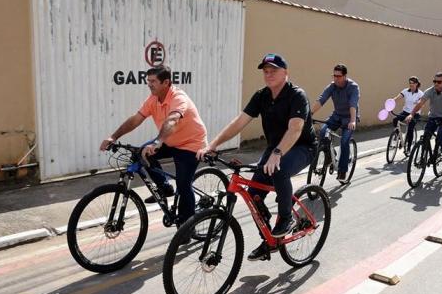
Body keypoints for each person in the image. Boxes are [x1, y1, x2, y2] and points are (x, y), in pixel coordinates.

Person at [197, 53, 316, 261]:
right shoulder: (261, 96)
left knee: (278, 169)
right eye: (265, 71)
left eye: (274, 70)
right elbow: (240, 122)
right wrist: (213, 145)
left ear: (285, 72)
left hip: (302, 146)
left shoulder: (297, 95)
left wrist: (277, 154)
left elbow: (295, 129)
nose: (268, 74)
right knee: (253, 194)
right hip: (274, 148)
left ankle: (286, 218)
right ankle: (269, 240)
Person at [99, 65, 207, 226]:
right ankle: (164, 187)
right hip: (170, 141)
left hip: (191, 145)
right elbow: (136, 119)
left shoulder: (178, 98)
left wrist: (158, 142)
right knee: (141, 154)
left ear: (166, 83)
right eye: (148, 81)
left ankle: (187, 227)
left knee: (183, 186)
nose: (149, 84)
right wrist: (113, 136)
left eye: (153, 81)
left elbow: (172, 120)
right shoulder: (153, 99)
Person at [311, 64, 360, 183]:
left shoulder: (353, 87)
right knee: (323, 132)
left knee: (344, 141)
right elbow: (321, 100)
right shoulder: (332, 86)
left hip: (349, 117)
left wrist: (353, 120)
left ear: (345, 76)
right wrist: (309, 114)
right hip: (337, 116)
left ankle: (343, 170)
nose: (336, 78)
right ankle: (329, 156)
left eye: (338, 76)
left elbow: (353, 104)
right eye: (334, 76)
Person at [405, 72, 442, 163]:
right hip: (433, 116)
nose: (436, 83)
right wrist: (411, 114)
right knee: (426, 135)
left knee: (441, 135)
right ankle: (423, 158)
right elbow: (420, 103)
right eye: (434, 81)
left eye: (439, 82)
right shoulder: (430, 91)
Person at [390, 76, 424, 151]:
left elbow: (421, 103)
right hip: (405, 112)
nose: (411, 84)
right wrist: (391, 102)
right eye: (410, 83)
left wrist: (418, 103)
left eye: (413, 83)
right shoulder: (405, 91)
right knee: (395, 119)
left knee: (410, 129)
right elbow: (397, 97)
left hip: (415, 113)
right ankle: (398, 135)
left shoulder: (420, 93)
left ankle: (408, 147)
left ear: (417, 84)